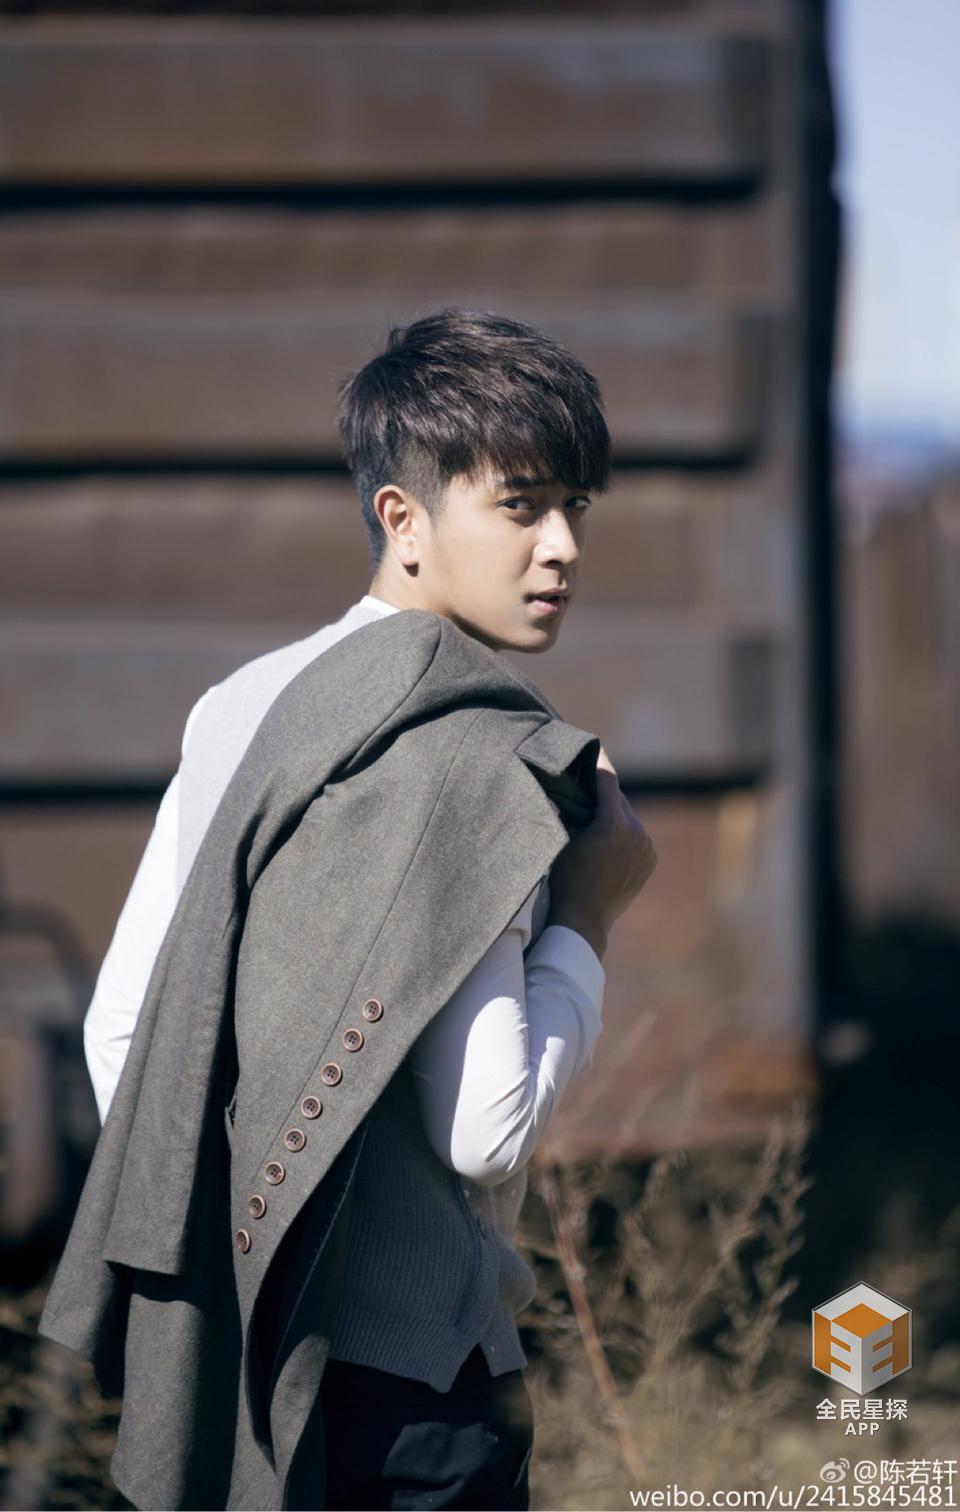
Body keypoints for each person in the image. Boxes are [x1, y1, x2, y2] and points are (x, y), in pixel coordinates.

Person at [80, 307, 657, 1510]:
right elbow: (486, 1131)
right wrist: (589, 915)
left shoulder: (240, 705)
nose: (562, 547)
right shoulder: (480, 752)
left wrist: (244, 1270)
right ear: (403, 519)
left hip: (236, 1374)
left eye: (577, 507)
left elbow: (128, 1030)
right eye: (520, 505)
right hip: (418, 1402)